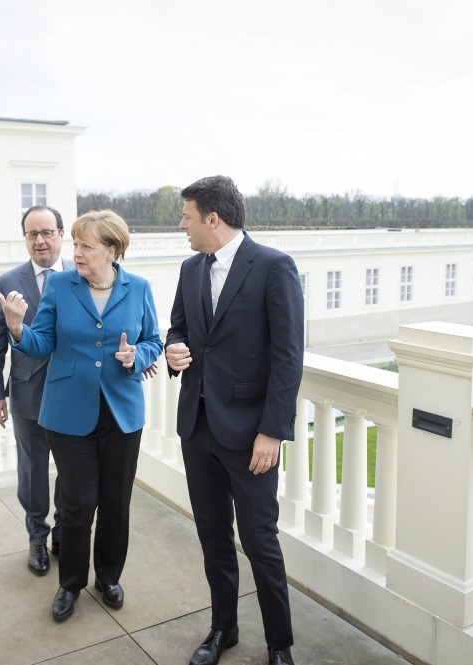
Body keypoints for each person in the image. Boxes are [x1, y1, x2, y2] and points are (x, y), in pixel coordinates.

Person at [0, 210, 162, 622]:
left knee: (116, 502)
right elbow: (41, 342)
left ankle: (108, 577)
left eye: (86, 246)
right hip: (68, 412)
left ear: (112, 250)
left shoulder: (139, 288)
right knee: (77, 503)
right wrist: (17, 329)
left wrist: (136, 355)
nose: (77, 253)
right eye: (75, 244)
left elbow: (153, 341)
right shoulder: (60, 285)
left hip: (122, 413)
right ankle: (70, 583)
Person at [165, 176, 304, 665]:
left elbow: (288, 357)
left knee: (260, 543)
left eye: (186, 216)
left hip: (250, 436)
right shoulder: (190, 268)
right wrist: (174, 350)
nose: (181, 225)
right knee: (213, 537)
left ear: (212, 218)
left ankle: (279, 645)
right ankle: (223, 628)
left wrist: (272, 432)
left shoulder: (273, 267)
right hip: (197, 427)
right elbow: (179, 328)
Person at [0, 205, 73, 576]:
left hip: (73, 395)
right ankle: (37, 535)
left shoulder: (81, 274)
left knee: (71, 470)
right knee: (33, 472)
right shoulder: (7, 282)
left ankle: (64, 533)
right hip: (27, 395)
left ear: (61, 234)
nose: (40, 240)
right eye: (32, 234)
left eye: (47, 232)